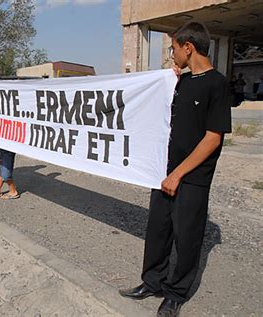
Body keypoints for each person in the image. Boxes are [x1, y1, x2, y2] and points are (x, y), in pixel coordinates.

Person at [119, 22, 231, 317]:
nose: (172, 55)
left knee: (187, 237)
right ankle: (151, 282)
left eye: (173, 49)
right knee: (158, 230)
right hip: (163, 172)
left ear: (188, 47)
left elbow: (212, 138)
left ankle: (175, 294)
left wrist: (178, 173)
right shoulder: (180, 81)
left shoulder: (217, 84)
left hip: (191, 178)